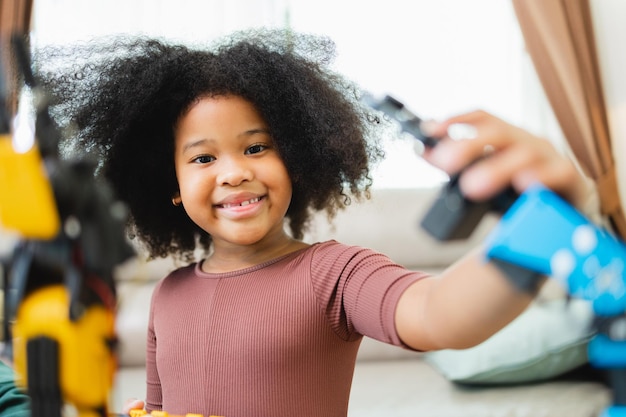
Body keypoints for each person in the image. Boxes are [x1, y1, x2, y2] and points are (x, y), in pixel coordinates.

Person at [37, 29, 592, 417]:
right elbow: (160, 405)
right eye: (203, 158)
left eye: (257, 147)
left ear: (297, 162)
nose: (233, 173)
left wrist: (538, 225)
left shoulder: (335, 274)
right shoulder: (168, 293)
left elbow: (441, 316)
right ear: (172, 190)